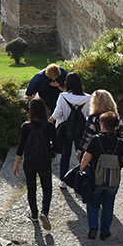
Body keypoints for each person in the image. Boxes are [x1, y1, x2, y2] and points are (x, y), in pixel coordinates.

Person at [79, 112, 123, 240]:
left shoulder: (96, 140)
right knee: (108, 204)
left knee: (92, 202)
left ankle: (93, 227)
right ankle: (104, 232)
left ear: (102, 125)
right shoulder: (119, 143)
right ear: (115, 127)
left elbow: (86, 158)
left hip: (96, 179)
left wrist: (81, 171)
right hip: (112, 181)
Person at [13, 98, 56, 230]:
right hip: (44, 161)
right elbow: (57, 145)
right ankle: (45, 212)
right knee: (47, 188)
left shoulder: (26, 126)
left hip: (29, 161)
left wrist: (16, 164)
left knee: (31, 188)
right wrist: (50, 153)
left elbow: (21, 147)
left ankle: (34, 213)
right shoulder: (49, 126)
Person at [51, 72, 91, 188]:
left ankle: (63, 180)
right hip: (81, 130)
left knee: (65, 155)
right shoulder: (88, 98)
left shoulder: (63, 96)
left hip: (65, 130)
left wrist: (49, 121)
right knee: (82, 155)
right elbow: (89, 115)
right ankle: (85, 178)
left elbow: (57, 114)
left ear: (67, 83)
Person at [76, 89, 123, 161]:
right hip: (113, 149)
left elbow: (87, 137)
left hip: (97, 149)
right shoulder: (116, 115)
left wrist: (80, 151)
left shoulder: (93, 117)